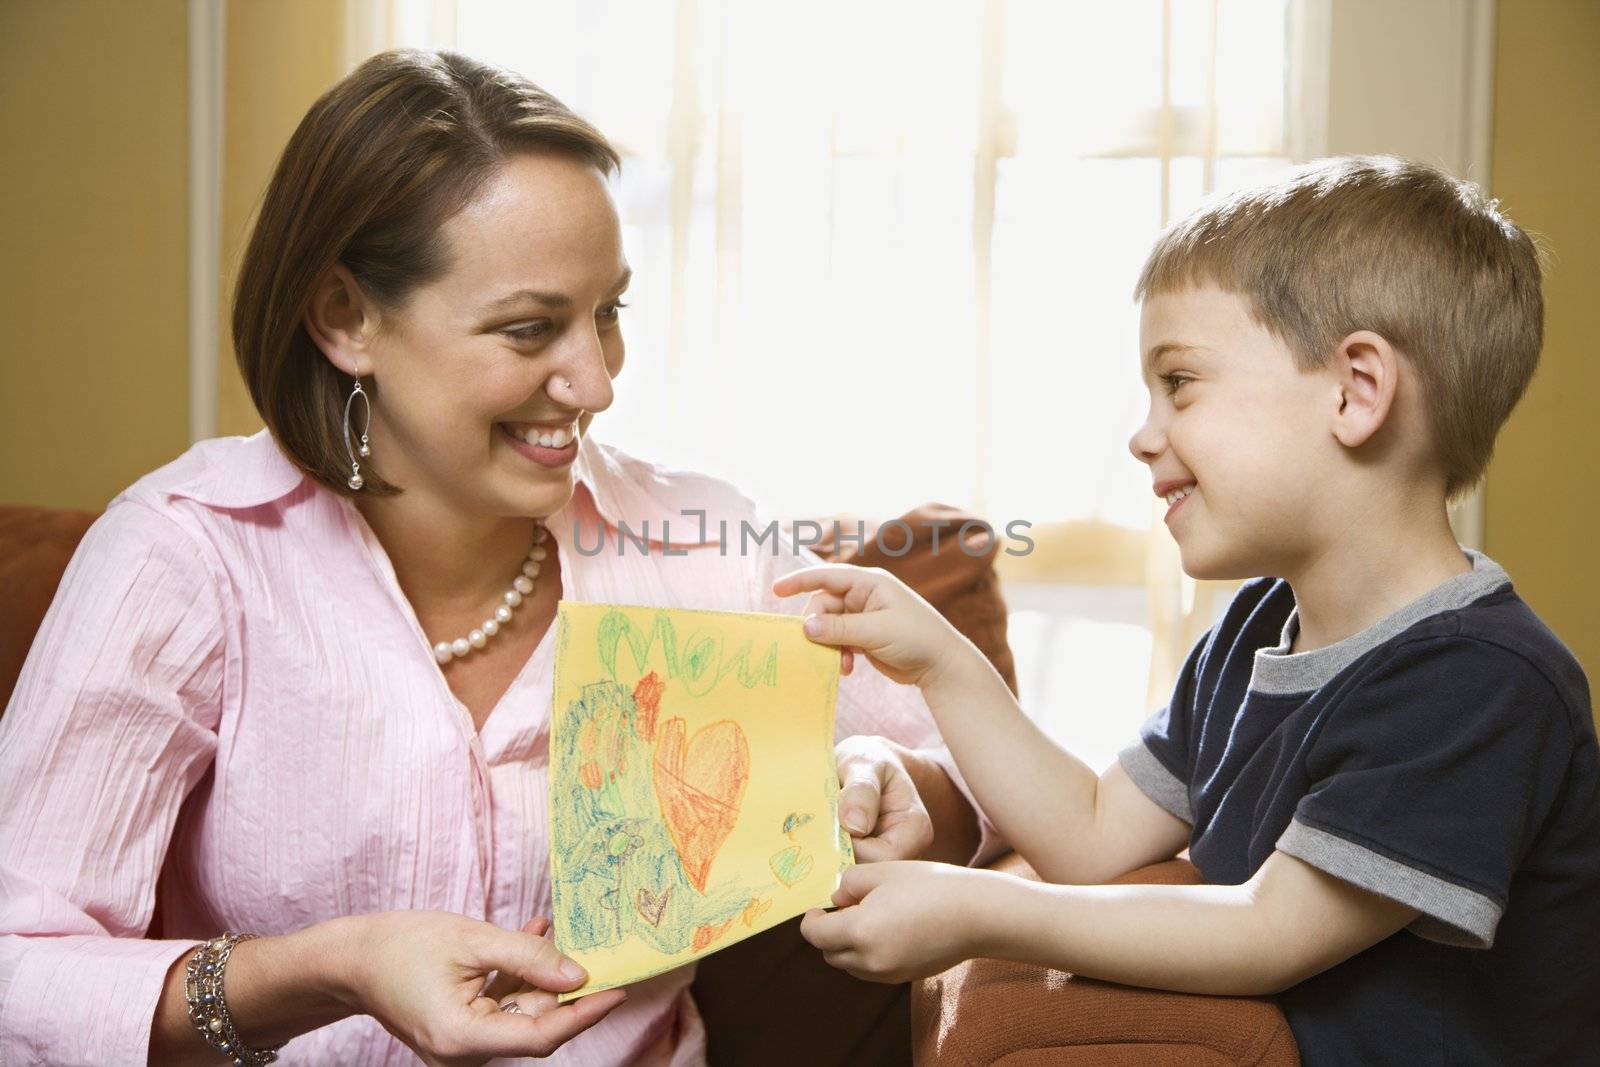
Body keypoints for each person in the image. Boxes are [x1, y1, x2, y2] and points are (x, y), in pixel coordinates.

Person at [0, 48, 998, 1066]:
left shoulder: (701, 543)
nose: (595, 381)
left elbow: (987, 791)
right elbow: (15, 964)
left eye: (607, 314)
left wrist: (898, 779)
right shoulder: (186, 555)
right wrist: (327, 965)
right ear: (346, 317)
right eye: (530, 330)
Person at [778, 156, 1600, 1066]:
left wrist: (975, 908)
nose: (1141, 433)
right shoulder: (1259, 625)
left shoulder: (1478, 680)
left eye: (1180, 382)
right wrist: (939, 661)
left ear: (1355, 391)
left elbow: (1266, 930)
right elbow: (1090, 834)